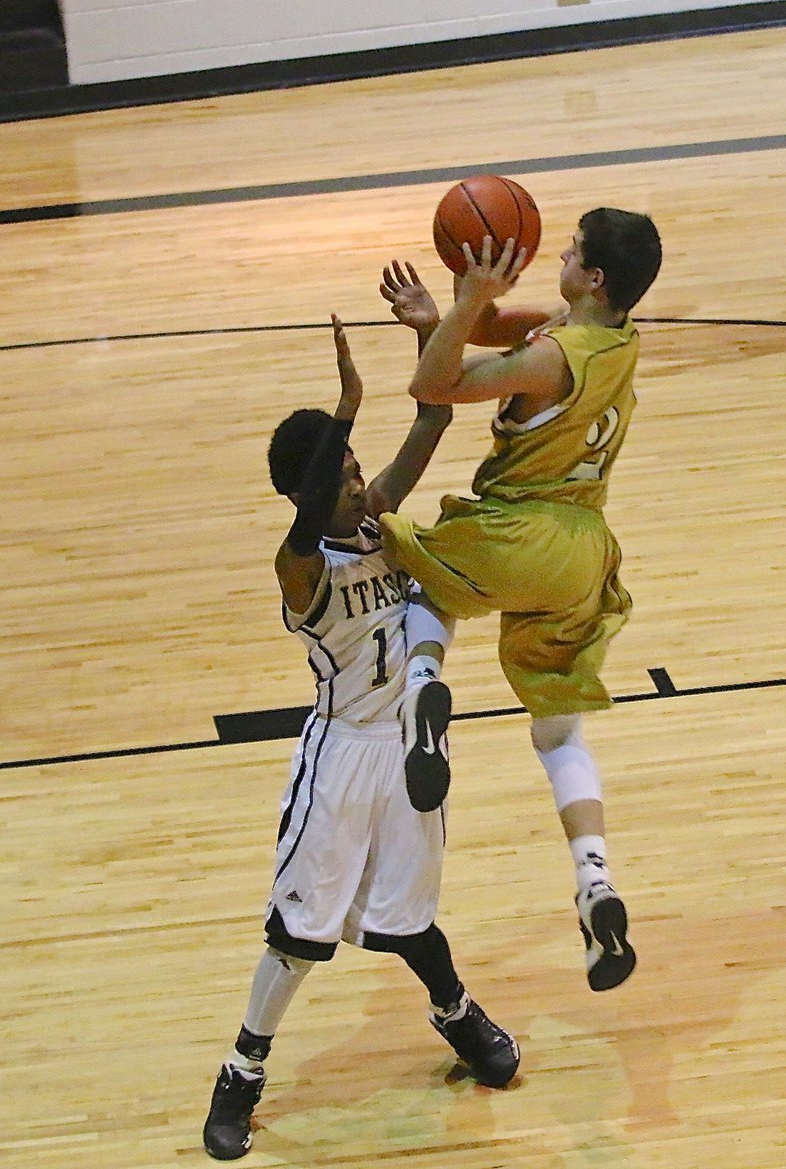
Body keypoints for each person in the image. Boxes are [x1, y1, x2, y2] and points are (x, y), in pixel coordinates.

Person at [202, 314, 520, 1161]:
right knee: (299, 930)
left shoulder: (377, 520)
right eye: (340, 476)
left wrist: (435, 334)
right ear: (308, 491)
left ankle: (457, 1016)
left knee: (410, 916)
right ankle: (241, 1071)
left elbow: (434, 419)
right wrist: (345, 404)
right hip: (341, 752)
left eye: (353, 469)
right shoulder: (300, 568)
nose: (357, 483)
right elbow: (310, 518)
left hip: (409, 742)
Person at [378, 207, 663, 994]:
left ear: (595, 277)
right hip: (583, 552)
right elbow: (496, 325)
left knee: (412, 567)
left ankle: (425, 689)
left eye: (571, 251)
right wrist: (449, 313)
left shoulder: (556, 357)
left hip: (518, 531)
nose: (559, 256)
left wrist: (459, 310)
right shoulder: (609, 334)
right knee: (559, 731)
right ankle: (595, 882)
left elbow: (433, 385)